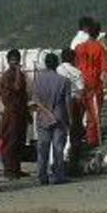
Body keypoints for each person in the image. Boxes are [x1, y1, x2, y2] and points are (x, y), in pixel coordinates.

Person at [75, 22, 107, 147]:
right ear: (97, 33)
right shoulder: (99, 48)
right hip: (94, 84)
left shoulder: (79, 47)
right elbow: (105, 67)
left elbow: (76, 66)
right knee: (94, 113)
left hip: (80, 83)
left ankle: (78, 140)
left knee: (80, 113)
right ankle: (92, 140)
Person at [31, 52, 71, 185]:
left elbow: (35, 101)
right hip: (59, 117)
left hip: (43, 117)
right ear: (57, 64)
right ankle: (58, 176)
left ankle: (42, 176)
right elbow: (67, 103)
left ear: (46, 64)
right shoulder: (64, 81)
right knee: (58, 148)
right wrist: (69, 119)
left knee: (42, 147)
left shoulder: (37, 80)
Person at [0, 49, 29, 179]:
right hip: (11, 112)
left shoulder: (19, 74)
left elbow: (24, 93)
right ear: (9, 61)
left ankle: (16, 168)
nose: (15, 62)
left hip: (20, 111)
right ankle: (9, 170)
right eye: (13, 60)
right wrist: (17, 71)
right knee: (10, 141)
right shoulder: (8, 76)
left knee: (19, 141)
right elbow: (16, 88)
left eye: (17, 59)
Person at [57, 48, 85, 166]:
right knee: (75, 131)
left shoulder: (57, 70)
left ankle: (59, 159)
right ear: (73, 58)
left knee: (60, 132)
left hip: (58, 103)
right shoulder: (77, 72)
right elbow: (81, 89)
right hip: (74, 103)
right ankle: (73, 160)